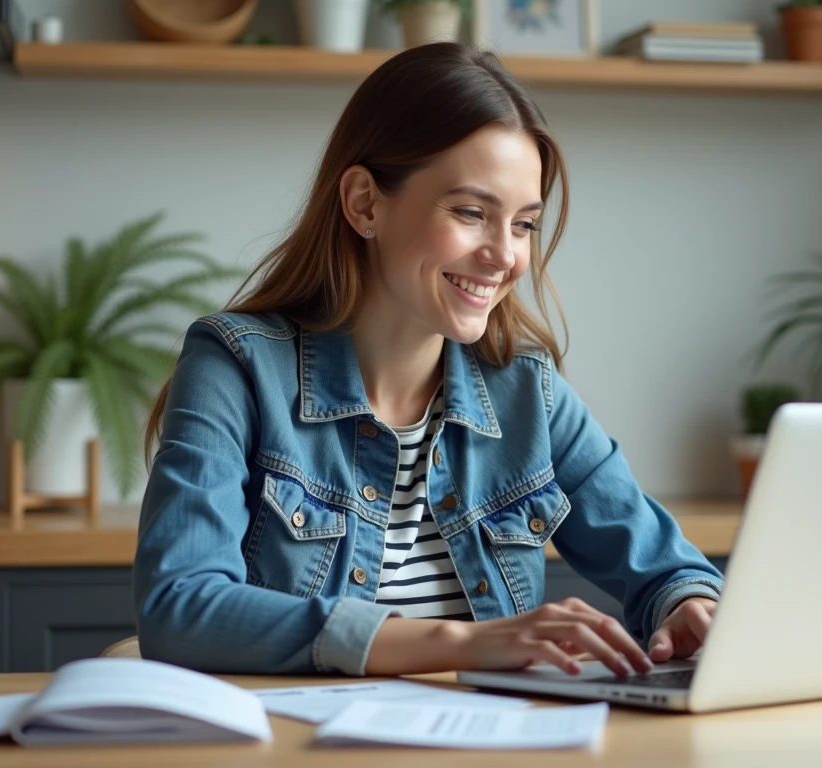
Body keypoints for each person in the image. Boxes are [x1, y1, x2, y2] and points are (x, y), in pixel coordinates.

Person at [134, 42, 724, 678]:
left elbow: (668, 567)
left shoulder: (529, 393)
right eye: (471, 213)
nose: (505, 256)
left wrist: (689, 603)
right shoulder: (236, 367)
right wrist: (462, 644)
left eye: (523, 224)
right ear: (365, 204)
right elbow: (179, 607)